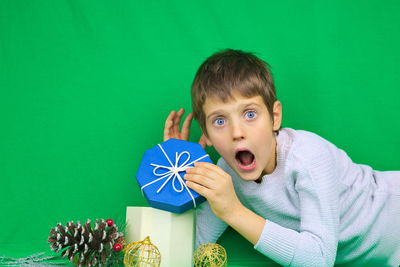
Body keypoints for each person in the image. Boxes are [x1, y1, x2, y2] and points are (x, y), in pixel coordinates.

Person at [163, 49, 400, 266]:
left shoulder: (308, 155)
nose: (237, 132)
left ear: (275, 117)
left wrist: (234, 211)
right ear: (206, 134)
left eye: (250, 113)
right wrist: (179, 172)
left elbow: (318, 260)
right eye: (220, 121)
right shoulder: (227, 174)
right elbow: (185, 251)